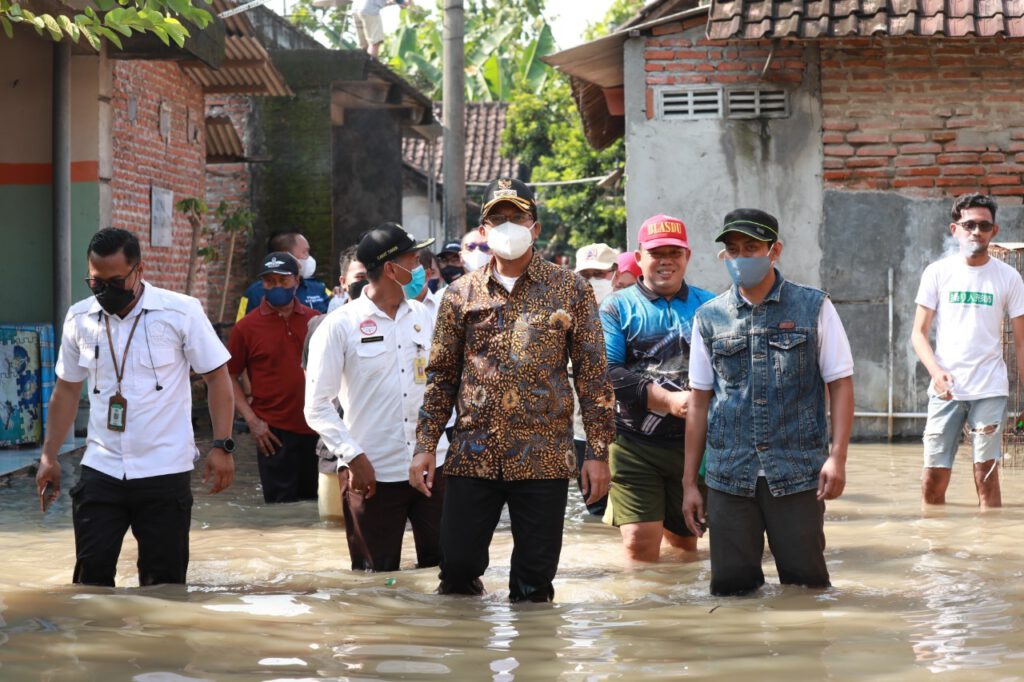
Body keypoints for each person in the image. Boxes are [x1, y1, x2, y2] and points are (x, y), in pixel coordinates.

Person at [411, 178, 615, 602]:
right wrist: (425, 445)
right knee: (457, 570)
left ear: (534, 227)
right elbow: (442, 376)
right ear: (483, 231)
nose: (507, 226)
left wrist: (598, 454)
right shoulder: (459, 294)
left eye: (517, 218)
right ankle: (469, 639)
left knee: (534, 584)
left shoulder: (570, 289)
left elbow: (593, 376)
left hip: (544, 456)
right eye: (497, 219)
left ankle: (534, 644)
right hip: (473, 453)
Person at [35, 228, 235, 586]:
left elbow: (218, 378)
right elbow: (66, 391)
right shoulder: (80, 319)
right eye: (95, 282)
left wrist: (222, 446)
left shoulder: (180, 312)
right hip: (102, 467)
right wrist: (49, 456)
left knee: (164, 586)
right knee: (90, 581)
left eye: (115, 282)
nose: (104, 291)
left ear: (138, 270)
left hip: (164, 469)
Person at [682, 208, 854, 596]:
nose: (741, 257)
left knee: (807, 589)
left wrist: (838, 458)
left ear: (774, 251)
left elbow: (841, 384)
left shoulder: (813, 307)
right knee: (732, 594)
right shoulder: (709, 317)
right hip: (728, 476)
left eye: (751, 247)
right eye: (733, 249)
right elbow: (699, 402)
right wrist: (690, 483)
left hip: (797, 472)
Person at [305, 223, 448, 572]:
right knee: (374, 579)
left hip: (432, 466)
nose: (420, 267)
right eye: (412, 259)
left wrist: (438, 446)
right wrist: (353, 457)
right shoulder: (339, 326)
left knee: (450, 571)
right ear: (390, 269)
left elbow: (443, 387)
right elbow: (317, 406)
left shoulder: (426, 317)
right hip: (371, 473)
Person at [599, 217, 715, 561]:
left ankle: (674, 600)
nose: (666, 261)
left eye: (674, 253)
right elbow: (608, 372)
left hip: (694, 446)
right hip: (634, 444)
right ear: (639, 257)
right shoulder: (616, 306)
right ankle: (639, 596)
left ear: (687, 256)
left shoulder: (711, 307)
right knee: (638, 542)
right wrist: (667, 400)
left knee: (684, 545)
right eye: (656, 253)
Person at [910, 193, 1024, 508]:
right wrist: (936, 373)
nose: (976, 232)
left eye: (984, 226)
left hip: (990, 387)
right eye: (969, 225)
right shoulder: (937, 272)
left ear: (994, 231)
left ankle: (990, 539)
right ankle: (934, 536)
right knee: (933, 479)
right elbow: (918, 334)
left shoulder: (1009, 277)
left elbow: (1021, 341)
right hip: (946, 389)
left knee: (986, 477)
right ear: (955, 229)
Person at [228, 252, 320, 504]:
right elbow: (228, 377)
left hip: (317, 428)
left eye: (283, 280)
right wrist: (252, 421)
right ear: (262, 284)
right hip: (272, 433)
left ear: (297, 281)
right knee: (280, 510)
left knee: (317, 506)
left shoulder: (316, 322)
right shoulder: (245, 328)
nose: (277, 286)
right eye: (269, 281)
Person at [570, 243, 619, 516]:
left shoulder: (627, 310)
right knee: (595, 506)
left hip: (625, 427)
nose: (592, 281)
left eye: (599, 274)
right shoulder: (568, 316)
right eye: (586, 275)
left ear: (615, 273)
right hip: (582, 429)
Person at [237, 230, 331, 319]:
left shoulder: (319, 288)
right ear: (286, 256)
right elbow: (242, 327)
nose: (308, 258)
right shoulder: (254, 293)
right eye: (305, 252)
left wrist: (337, 298)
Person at [329, 246, 368, 312]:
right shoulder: (337, 306)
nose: (369, 283)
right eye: (361, 277)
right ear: (343, 282)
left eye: (372, 276)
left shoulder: (384, 308)